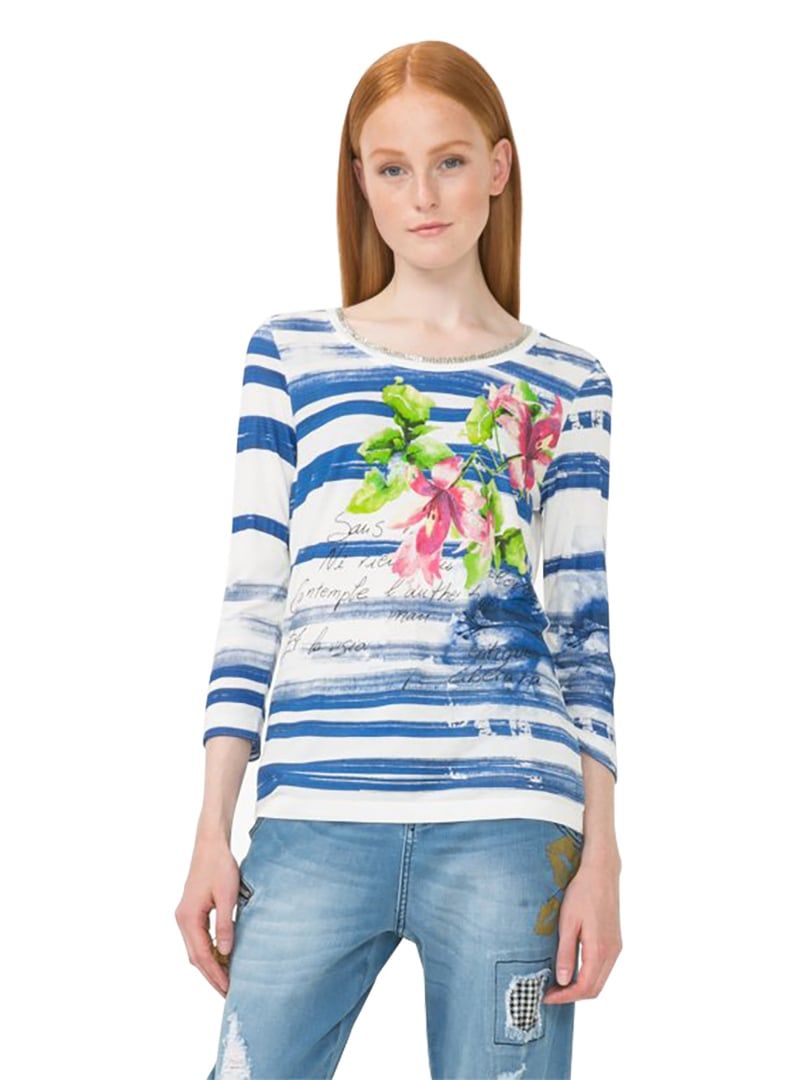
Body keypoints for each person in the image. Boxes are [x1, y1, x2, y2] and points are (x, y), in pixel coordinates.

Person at [175, 39, 622, 1080]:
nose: (422, 195)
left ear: (498, 167)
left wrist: (603, 855)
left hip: (513, 820)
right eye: (392, 167)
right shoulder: (290, 355)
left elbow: (583, 630)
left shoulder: (571, 382)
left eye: (450, 161)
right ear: (361, 180)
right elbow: (253, 599)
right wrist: (211, 829)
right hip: (315, 813)